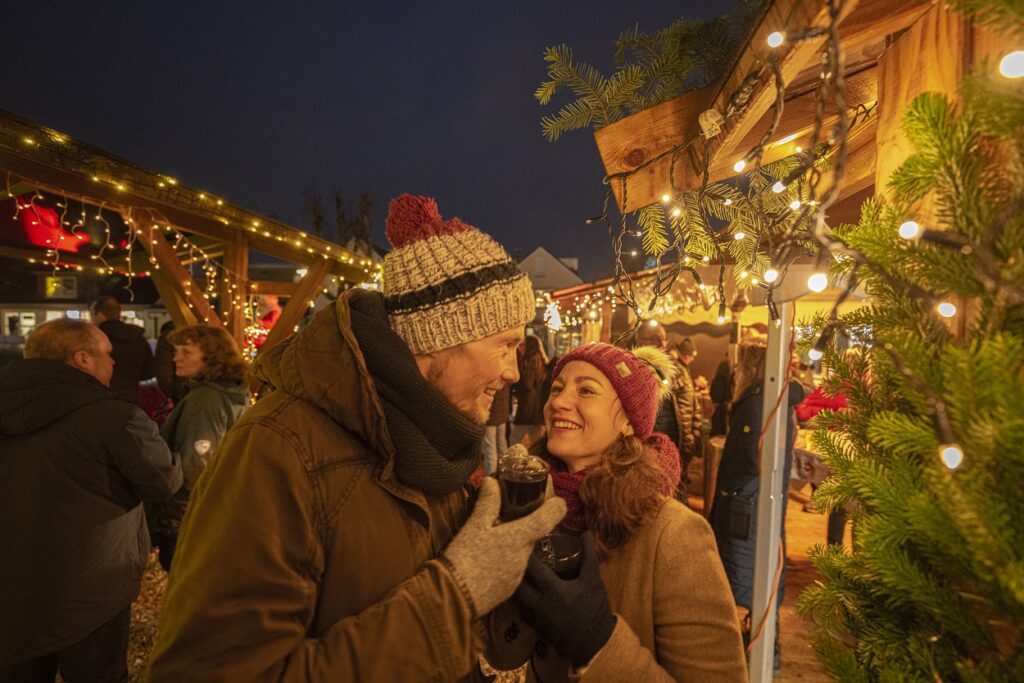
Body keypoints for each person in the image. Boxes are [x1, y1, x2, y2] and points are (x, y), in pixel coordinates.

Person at [147, 194, 566, 681]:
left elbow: (476, 639)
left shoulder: (436, 439)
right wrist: (456, 594)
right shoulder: (276, 450)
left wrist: (516, 555)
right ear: (440, 337)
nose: (515, 371)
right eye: (506, 345)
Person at [485, 341, 747, 681]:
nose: (559, 403)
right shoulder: (535, 503)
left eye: (587, 391)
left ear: (628, 419)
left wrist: (597, 642)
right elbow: (503, 653)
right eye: (557, 388)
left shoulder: (674, 534)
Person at [0, 319, 182, 681]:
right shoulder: (116, 417)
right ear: (82, 359)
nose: (114, 363)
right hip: (91, 586)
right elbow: (163, 481)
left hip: (11, 580)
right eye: (109, 354)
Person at [710, 339, 805, 675]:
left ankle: (748, 663)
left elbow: (753, 457)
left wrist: (730, 489)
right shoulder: (771, 401)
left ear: (751, 367)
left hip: (745, 507)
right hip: (755, 504)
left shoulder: (756, 402)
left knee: (745, 582)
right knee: (756, 581)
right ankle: (765, 658)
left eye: (740, 364)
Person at [148, 325, 250, 572]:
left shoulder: (205, 400)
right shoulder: (235, 393)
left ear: (212, 357)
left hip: (190, 519)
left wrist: (171, 520)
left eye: (186, 351)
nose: (175, 358)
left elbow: (194, 467)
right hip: (217, 512)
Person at [633, 324, 699, 495]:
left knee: (676, 493)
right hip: (643, 447)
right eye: (655, 339)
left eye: (664, 339)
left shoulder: (678, 370)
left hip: (677, 444)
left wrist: (692, 437)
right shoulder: (630, 369)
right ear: (639, 340)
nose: (662, 344)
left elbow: (692, 407)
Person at [91, 295, 157, 405]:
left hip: (99, 398)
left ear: (100, 316)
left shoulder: (94, 339)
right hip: (131, 397)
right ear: (119, 314)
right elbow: (149, 372)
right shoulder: (138, 338)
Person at [511, 335, 548, 447]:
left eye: (522, 345)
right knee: (534, 443)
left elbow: (527, 384)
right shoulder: (540, 360)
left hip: (528, 408)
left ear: (529, 347)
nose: (520, 348)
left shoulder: (530, 362)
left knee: (514, 439)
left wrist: (516, 386)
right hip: (536, 409)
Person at [482, 382, 512, 475]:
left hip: (491, 415)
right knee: (502, 444)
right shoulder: (505, 375)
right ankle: (508, 473)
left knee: (490, 449)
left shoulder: (491, 376)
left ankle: (492, 478)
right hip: (502, 413)